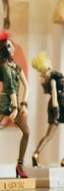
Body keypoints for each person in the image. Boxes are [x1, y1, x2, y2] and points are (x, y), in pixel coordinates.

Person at [30, 51, 64, 168]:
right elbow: (55, 95)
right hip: (61, 105)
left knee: (49, 135)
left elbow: (52, 95)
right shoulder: (53, 79)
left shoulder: (47, 80)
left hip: (53, 105)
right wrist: (56, 112)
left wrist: (54, 110)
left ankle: (36, 153)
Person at [0, 31, 29, 178]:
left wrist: (24, 104)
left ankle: (20, 165)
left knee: (26, 132)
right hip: (5, 104)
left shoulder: (16, 67)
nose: (14, 48)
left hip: (16, 104)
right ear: (6, 49)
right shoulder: (4, 66)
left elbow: (26, 86)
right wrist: (16, 107)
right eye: (10, 46)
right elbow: (10, 87)